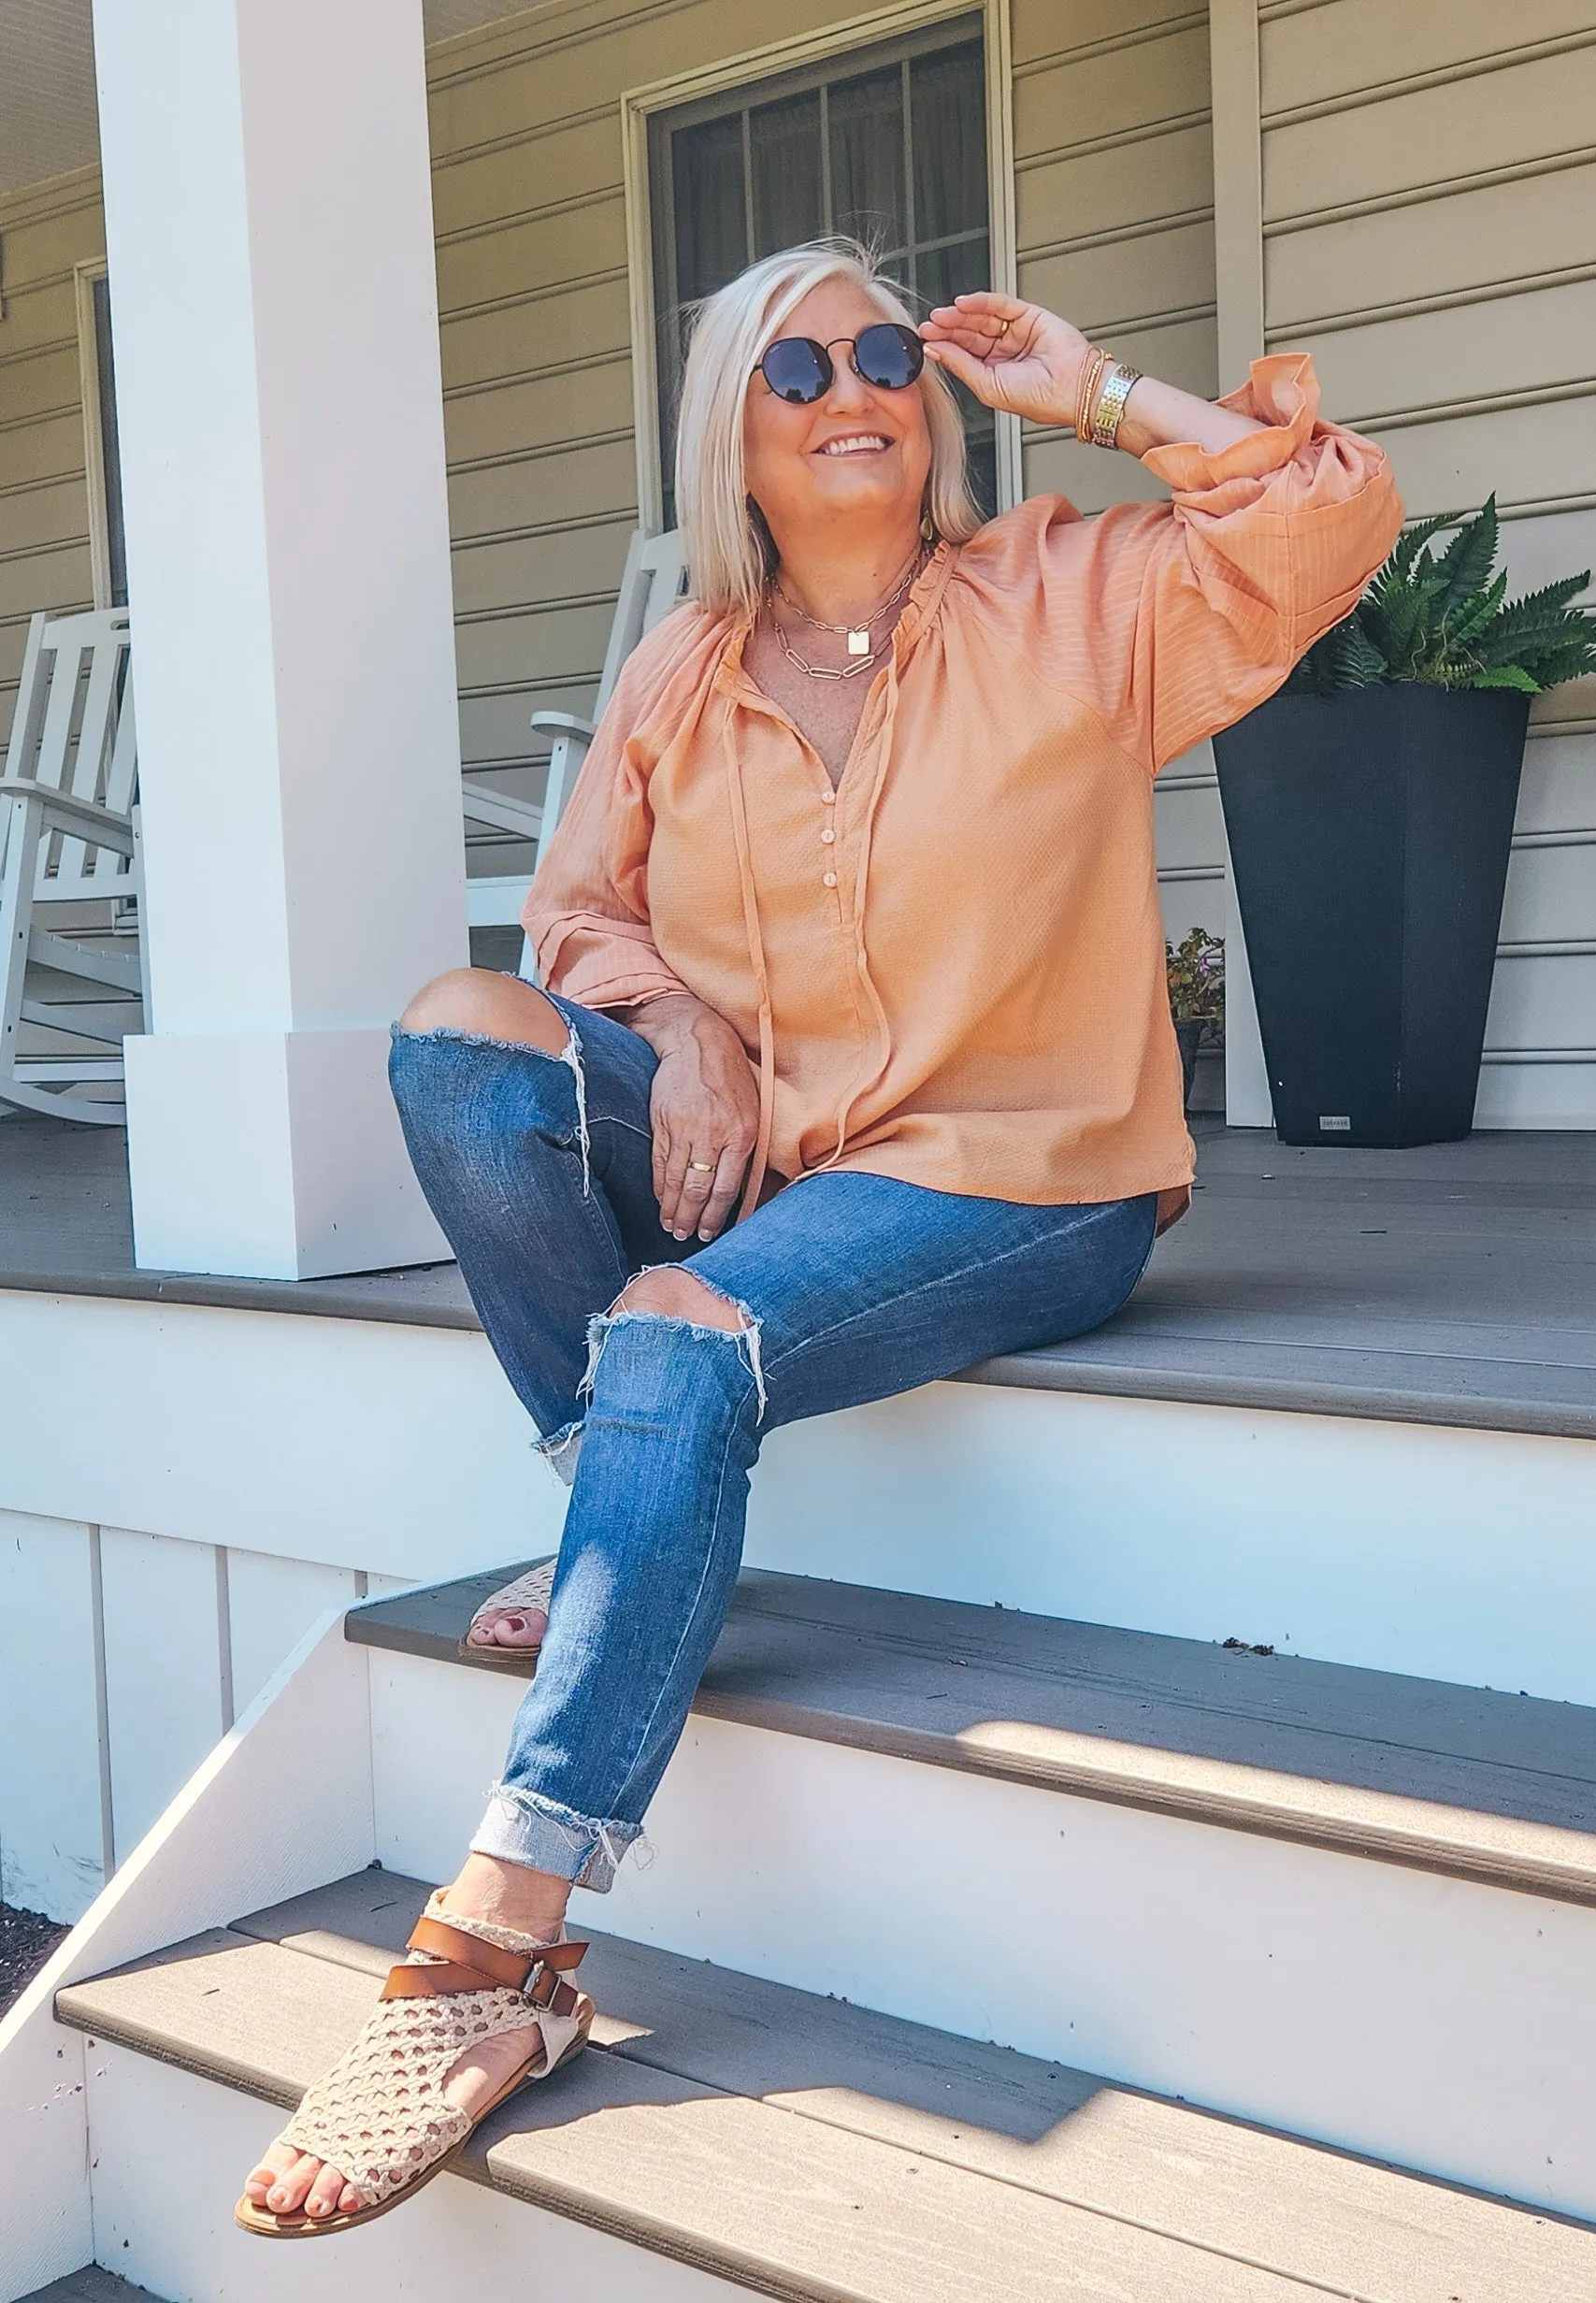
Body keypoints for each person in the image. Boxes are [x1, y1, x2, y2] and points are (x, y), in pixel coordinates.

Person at [237, 237, 1401, 2236]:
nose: (857, 381)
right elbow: (576, 929)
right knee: (458, 1044)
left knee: (683, 1334)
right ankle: (603, 1484)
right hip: (772, 1166)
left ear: (932, 407)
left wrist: (1103, 397)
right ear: (735, 440)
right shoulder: (682, 667)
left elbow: (1328, 524)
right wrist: (680, 1027)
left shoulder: (1067, 594)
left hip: (1023, 1175)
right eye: (800, 368)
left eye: (887, 353)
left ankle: (505, 1940)